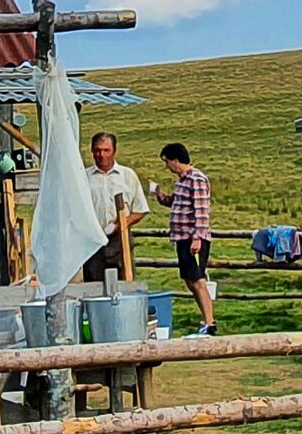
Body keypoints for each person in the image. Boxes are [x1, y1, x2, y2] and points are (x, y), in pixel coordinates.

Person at [158, 142, 217, 335]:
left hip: (192, 238)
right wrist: (163, 198)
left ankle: (210, 322)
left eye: (167, 162)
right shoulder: (182, 181)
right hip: (182, 237)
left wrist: (198, 237)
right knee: (190, 280)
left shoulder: (196, 179)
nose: (167, 166)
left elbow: (201, 210)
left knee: (197, 279)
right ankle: (207, 320)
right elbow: (179, 204)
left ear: (176, 160)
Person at [77, 129, 150, 281]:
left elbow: (140, 209)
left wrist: (123, 222)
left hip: (119, 239)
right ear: (92, 151)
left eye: (106, 150)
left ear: (114, 151)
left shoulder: (127, 175)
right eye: (97, 150)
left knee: (124, 281)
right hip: (93, 240)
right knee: (94, 284)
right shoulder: (83, 177)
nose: (101, 155)